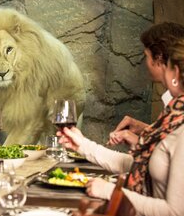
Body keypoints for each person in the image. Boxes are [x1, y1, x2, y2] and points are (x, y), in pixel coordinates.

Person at [59, 39, 184, 216]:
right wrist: (83, 145)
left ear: (176, 73)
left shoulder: (180, 128)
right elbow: (139, 166)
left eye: (168, 66)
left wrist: (110, 191)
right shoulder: (172, 118)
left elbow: (175, 212)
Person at [109, 22, 184, 147]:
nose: (145, 63)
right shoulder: (171, 98)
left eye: (147, 56)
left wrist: (140, 142)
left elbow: (172, 155)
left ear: (158, 58)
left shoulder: (178, 103)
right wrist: (144, 129)